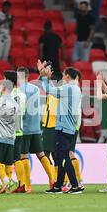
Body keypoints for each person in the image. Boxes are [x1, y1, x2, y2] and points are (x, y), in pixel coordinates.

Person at [38, 61, 84, 194]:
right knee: (60, 157)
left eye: (64, 75)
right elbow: (56, 92)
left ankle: (75, 185)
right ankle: (58, 186)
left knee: (63, 158)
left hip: (63, 128)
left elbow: (49, 91)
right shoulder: (75, 89)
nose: (62, 77)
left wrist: (45, 77)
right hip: (69, 127)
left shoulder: (68, 88)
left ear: (68, 77)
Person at [17, 67, 55, 193]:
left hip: (25, 128)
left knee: (23, 155)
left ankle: (27, 186)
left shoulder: (19, 91)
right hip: (36, 128)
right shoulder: (36, 89)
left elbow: (20, 111)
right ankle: (52, 179)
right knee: (41, 154)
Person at [4, 71, 27, 193]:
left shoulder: (6, 95)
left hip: (8, 131)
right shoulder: (22, 94)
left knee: (11, 159)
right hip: (19, 130)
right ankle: (21, 183)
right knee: (16, 158)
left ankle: (13, 183)